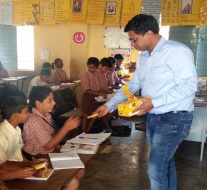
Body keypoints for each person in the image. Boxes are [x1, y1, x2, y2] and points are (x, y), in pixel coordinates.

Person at [96, 14, 198, 190]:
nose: (132, 44)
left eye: (134, 40)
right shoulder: (144, 56)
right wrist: (109, 105)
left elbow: (189, 86)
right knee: (165, 163)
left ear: (149, 33)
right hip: (153, 118)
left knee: (155, 168)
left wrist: (153, 103)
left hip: (174, 118)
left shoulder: (176, 51)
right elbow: (134, 84)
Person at [22, 86, 83, 190]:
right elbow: (48, 145)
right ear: (38, 103)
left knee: (80, 170)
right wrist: (66, 128)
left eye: (53, 99)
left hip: (51, 153)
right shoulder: (34, 120)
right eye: (50, 100)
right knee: (73, 182)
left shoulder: (45, 115)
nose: (54, 103)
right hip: (39, 159)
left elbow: (52, 137)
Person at [80, 57, 110, 133]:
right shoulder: (85, 75)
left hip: (96, 97)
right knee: (85, 116)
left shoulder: (97, 74)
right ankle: (84, 133)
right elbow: (88, 90)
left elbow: (99, 86)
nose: (91, 69)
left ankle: (88, 131)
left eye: (93, 68)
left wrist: (103, 92)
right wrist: (100, 93)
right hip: (87, 97)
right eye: (89, 67)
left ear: (97, 67)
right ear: (87, 65)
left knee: (95, 115)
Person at [0, 96, 28, 161]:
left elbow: (18, 154)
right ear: (16, 115)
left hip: (19, 165)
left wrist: (32, 163)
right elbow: (1, 165)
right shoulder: (1, 135)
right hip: (9, 169)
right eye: (26, 112)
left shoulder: (17, 129)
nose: (29, 114)